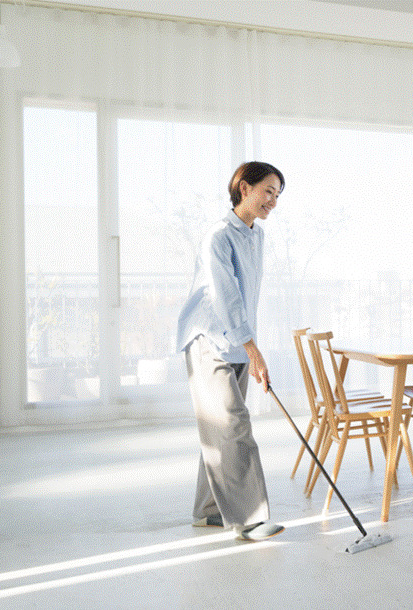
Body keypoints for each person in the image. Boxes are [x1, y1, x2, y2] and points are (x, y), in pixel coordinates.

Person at [176, 161, 286, 542]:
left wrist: (250, 347)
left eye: (277, 195)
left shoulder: (256, 237)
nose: (272, 200)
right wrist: (253, 349)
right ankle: (251, 519)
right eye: (267, 191)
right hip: (209, 340)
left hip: (237, 343)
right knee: (234, 425)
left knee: (220, 428)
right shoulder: (218, 236)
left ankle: (209, 512)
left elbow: (248, 298)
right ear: (243, 188)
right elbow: (225, 296)